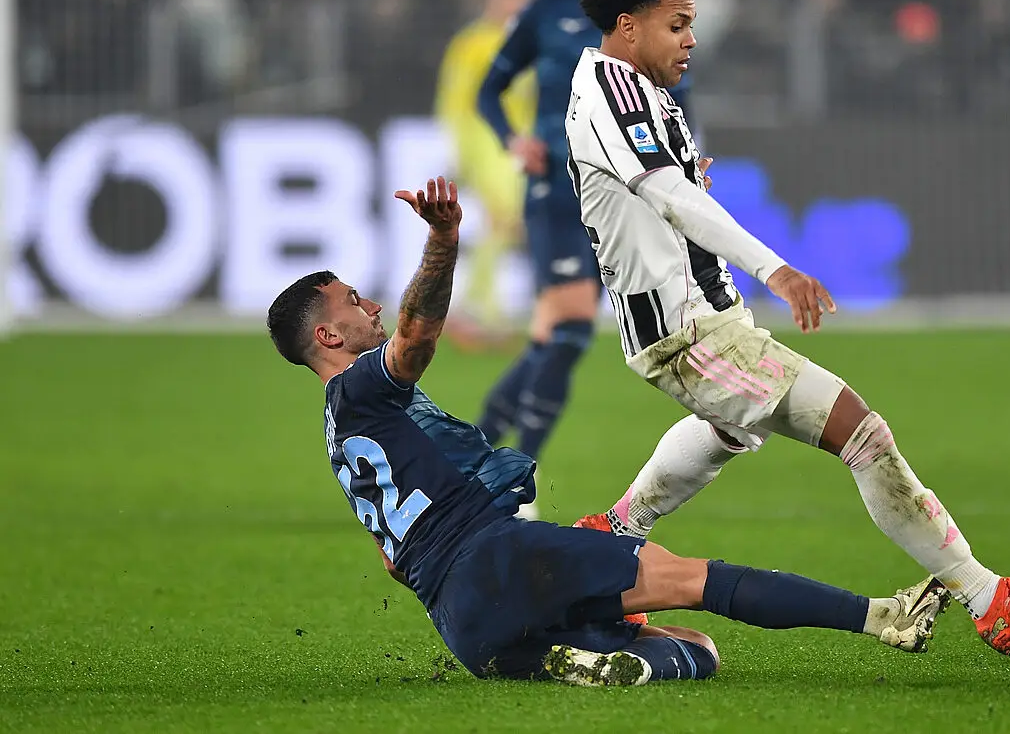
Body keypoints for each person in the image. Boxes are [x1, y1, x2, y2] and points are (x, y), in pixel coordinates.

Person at [562, 0, 1010, 655]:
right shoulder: (613, 92)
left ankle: (614, 536)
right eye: (676, 23)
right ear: (628, 26)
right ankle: (991, 599)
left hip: (702, 322)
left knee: (728, 431)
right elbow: (667, 194)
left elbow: (665, 193)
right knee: (861, 432)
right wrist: (774, 267)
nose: (691, 39)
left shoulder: (641, 94)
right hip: (687, 337)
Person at [266, 177, 950, 686]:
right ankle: (883, 615)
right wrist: (444, 239)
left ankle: (578, 656)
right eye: (354, 302)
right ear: (326, 334)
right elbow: (417, 335)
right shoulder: (360, 386)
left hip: (464, 626)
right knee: (694, 580)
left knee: (694, 651)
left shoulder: (342, 435)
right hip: (497, 559)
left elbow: (394, 557)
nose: (371, 304)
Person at [474, 0, 694, 511]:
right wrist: (512, 141)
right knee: (568, 326)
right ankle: (519, 480)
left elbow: (680, 94)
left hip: (621, 191)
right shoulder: (545, 12)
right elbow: (489, 90)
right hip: (555, 186)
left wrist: (689, 157)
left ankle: (475, 454)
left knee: (557, 337)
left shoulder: (649, 19)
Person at [435, 0, 536, 343]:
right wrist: (458, 151)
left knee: (504, 226)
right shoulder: (472, 44)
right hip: (482, 141)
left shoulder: (526, 44)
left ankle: (466, 309)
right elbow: (453, 99)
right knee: (503, 219)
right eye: (508, 1)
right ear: (493, 2)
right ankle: (485, 313)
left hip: (515, 144)